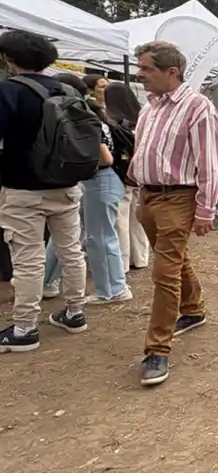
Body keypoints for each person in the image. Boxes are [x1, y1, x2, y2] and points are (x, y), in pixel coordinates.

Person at [129, 40, 218, 386]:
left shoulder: (198, 107)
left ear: (172, 71)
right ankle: (193, 309)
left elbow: (209, 163)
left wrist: (206, 210)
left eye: (146, 68)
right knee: (173, 259)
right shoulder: (149, 107)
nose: (139, 74)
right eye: (139, 67)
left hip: (178, 199)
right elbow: (143, 150)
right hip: (149, 196)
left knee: (164, 272)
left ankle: (158, 349)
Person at [0, 30, 91, 352]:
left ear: (10, 59)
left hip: (23, 189)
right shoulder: (67, 89)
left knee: (28, 259)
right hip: (66, 184)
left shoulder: (8, 91)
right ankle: (75, 312)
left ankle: (25, 328)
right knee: (71, 251)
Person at [48, 73, 131, 305]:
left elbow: (105, 157)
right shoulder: (91, 114)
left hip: (100, 180)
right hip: (101, 181)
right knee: (97, 236)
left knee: (100, 237)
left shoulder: (83, 116)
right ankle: (113, 287)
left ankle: (112, 290)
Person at [105, 81, 149, 271]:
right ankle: (140, 257)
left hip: (120, 174)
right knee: (137, 218)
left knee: (120, 221)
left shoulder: (111, 123)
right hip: (141, 175)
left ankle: (122, 262)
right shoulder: (143, 118)